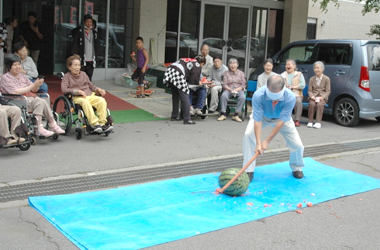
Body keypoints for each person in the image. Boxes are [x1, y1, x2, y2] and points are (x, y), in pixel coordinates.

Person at [242, 74, 305, 181]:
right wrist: (258, 143)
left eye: (276, 98)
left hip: (281, 119)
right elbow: (257, 120)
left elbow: (281, 122)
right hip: (262, 117)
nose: (273, 101)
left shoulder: (290, 97)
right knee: (248, 135)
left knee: (297, 145)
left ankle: (297, 167)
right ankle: (248, 170)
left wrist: (267, 141)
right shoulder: (258, 95)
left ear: (283, 89)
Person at [0, 54, 64, 137]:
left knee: (42, 100)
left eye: (19, 64)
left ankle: (50, 124)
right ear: (9, 67)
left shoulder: (22, 76)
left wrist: (37, 84)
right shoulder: (6, 78)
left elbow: (34, 90)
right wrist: (32, 86)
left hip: (27, 98)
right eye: (15, 65)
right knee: (39, 101)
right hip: (16, 99)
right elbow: (15, 91)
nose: (18, 67)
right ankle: (43, 126)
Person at [61, 55, 113, 133]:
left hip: (89, 95)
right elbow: (64, 89)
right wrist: (77, 91)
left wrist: (98, 89)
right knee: (85, 102)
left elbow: (90, 85)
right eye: (75, 65)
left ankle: (102, 124)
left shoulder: (83, 74)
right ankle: (95, 124)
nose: (78, 67)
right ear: (69, 66)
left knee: (101, 100)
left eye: (79, 65)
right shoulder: (67, 77)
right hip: (77, 98)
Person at [163, 56, 205, 125]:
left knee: (176, 95)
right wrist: (198, 83)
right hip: (178, 73)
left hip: (169, 71)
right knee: (185, 96)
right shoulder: (197, 65)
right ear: (202, 63)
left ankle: (175, 116)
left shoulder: (190, 61)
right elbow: (193, 81)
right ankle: (187, 119)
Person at [72, 14, 100, 81]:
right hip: (83, 56)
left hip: (91, 57)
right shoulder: (80, 32)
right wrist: (75, 54)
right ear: (84, 22)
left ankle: (88, 87)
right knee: (81, 73)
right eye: (87, 22)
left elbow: (97, 45)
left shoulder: (94, 33)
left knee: (89, 74)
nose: (89, 23)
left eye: (90, 22)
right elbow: (75, 43)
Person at [217, 58, 246, 122]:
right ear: (228, 65)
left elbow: (243, 85)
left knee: (242, 97)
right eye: (231, 63)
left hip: (238, 89)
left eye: (234, 63)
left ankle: (236, 115)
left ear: (237, 65)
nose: (233, 65)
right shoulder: (226, 73)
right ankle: (223, 114)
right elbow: (224, 84)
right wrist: (231, 90)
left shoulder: (241, 73)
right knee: (223, 96)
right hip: (228, 89)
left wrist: (236, 90)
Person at [281, 59, 305, 127]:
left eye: (289, 64)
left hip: (296, 94)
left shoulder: (299, 74)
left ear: (294, 66)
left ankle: (297, 120)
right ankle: (284, 119)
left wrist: (293, 87)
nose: (287, 66)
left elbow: (302, 85)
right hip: (286, 93)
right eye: (286, 65)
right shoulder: (283, 74)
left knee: (298, 101)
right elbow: (279, 83)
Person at [307, 61, 331, 129]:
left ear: (322, 69)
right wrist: (311, 96)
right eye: (315, 68)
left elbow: (328, 91)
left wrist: (322, 97)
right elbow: (309, 90)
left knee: (319, 105)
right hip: (314, 96)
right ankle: (310, 121)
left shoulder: (327, 79)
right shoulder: (311, 79)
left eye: (318, 68)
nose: (316, 70)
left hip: (322, 97)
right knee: (312, 104)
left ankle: (318, 122)